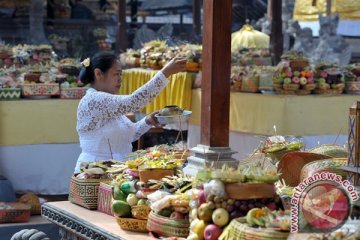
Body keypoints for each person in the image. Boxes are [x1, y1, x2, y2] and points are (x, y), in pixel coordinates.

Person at [74, 52, 186, 173]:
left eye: (120, 74)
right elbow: (133, 102)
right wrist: (165, 73)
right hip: (94, 173)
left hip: (114, 171)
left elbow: (129, 136)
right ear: (98, 74)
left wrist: (148, 121)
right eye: (116, 74)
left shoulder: (108, 102)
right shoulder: (93, 100)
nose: (120, 79)